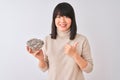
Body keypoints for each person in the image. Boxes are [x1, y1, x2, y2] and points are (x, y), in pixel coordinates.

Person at [26, 2, 93, 80]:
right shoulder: (47, 39)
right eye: (58, 16)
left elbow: (89, 69)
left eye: (66, 16)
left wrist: (75, 55)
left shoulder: (82, 40)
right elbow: (44, 69)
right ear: (54, 19)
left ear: (72, 19)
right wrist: (41, 59)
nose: (62, 20)